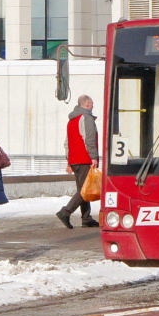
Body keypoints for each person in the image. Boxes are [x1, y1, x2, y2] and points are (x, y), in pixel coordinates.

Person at [57, 95, 99, 229]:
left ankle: (86, 218)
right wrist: (94, 157)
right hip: (85, 158)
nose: (93, 106)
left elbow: (67, 143)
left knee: (83, 188)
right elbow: (89, 139)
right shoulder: (86, 118)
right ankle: (65, 212)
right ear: (87, 104)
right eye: (92, 103)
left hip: (75, 160)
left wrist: (69, 161)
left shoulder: (72, 120)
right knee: (84, 190)